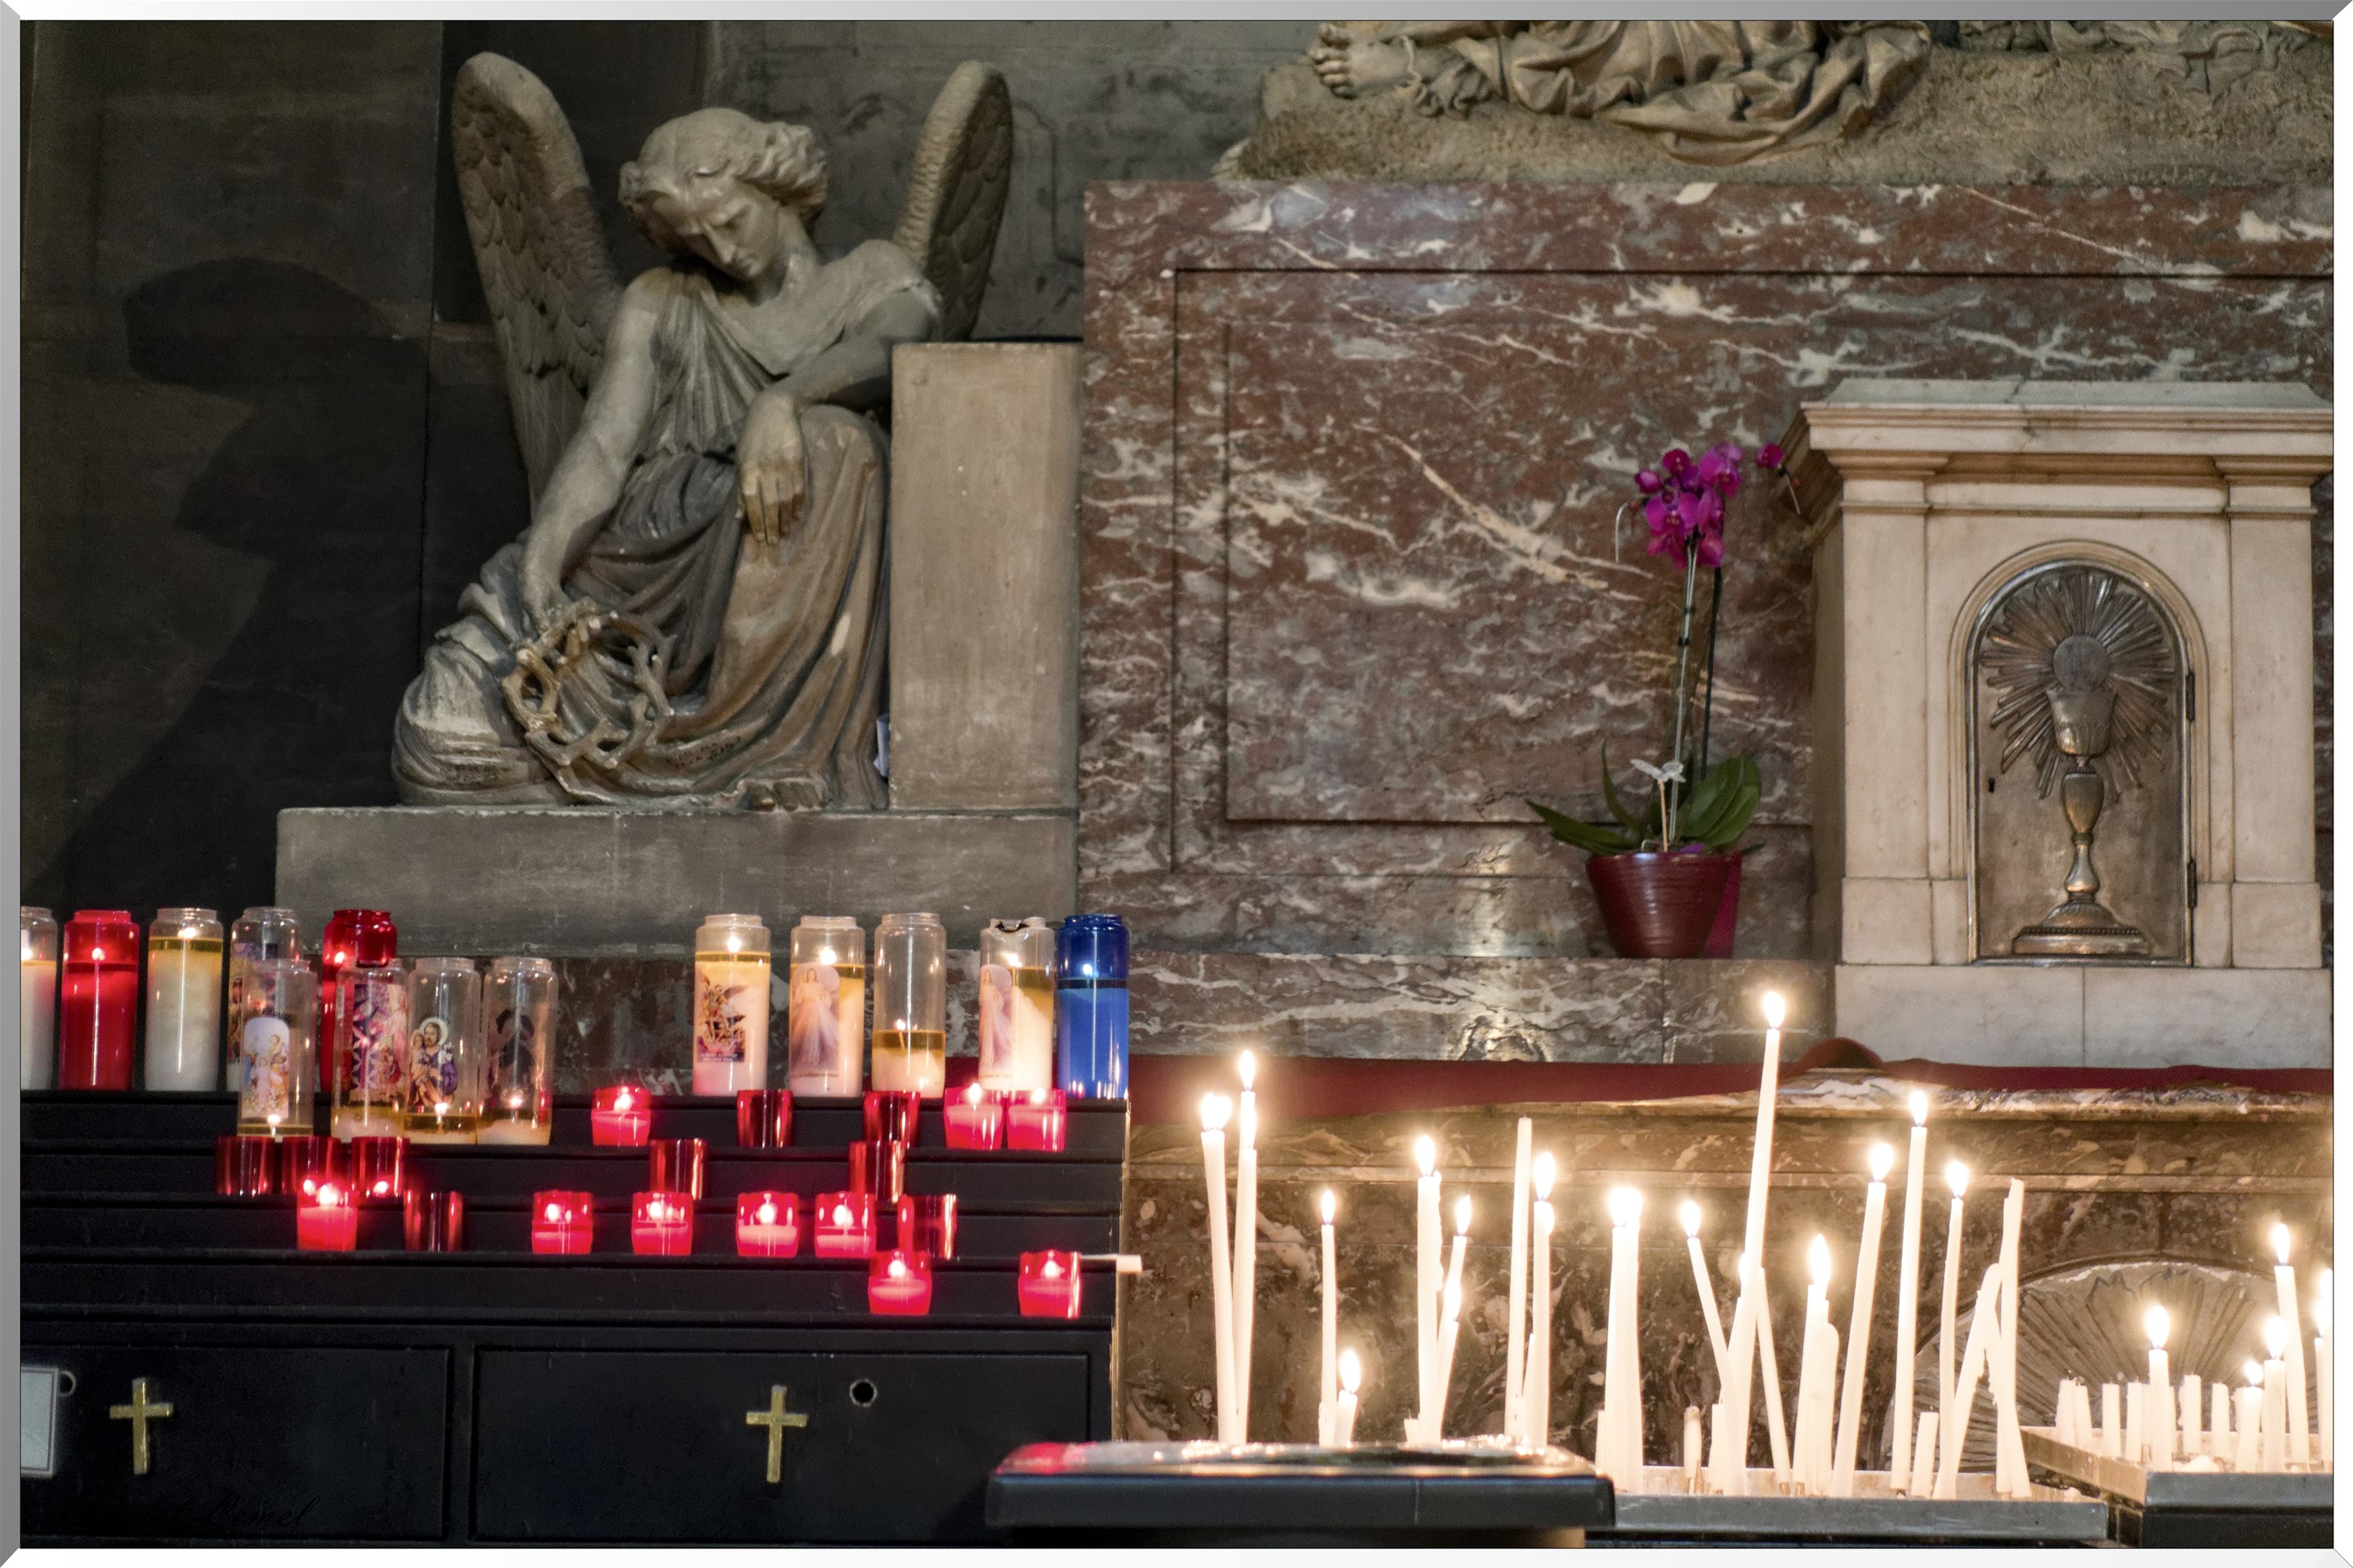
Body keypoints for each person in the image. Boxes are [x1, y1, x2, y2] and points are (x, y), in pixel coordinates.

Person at [395, 108, 941, 808]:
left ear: (778, 190)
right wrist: (543, 562)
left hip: (772, 554)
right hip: (643, 559)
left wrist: (784, 403)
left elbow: (894, 348)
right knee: (436, 735)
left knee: (840, 446)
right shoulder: (659, 299)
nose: (722, 250)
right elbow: (603, 445)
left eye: (732, 221)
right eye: (693, 237)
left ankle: (764, 753)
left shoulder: (873, 276)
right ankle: (633, 769)